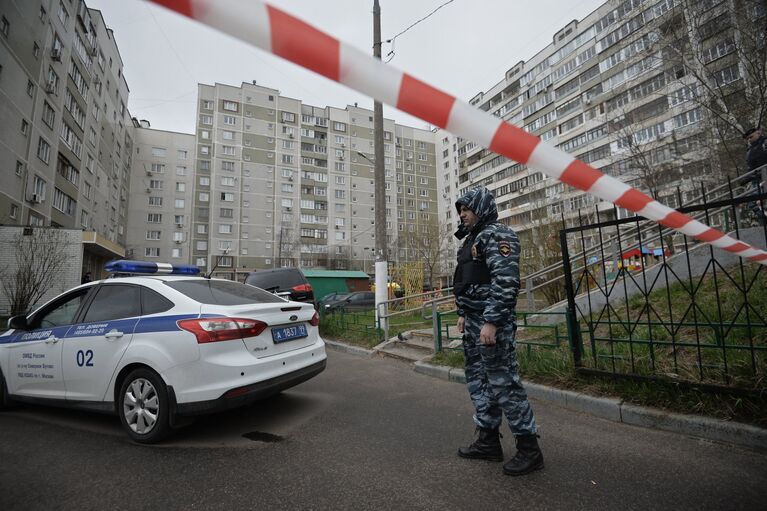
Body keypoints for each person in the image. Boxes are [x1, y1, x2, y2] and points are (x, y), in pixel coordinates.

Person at [452, 186, 543, 476]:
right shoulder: (473, 238)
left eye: (466, 209)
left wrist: (491, 321)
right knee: (479, 381)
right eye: (460, 210)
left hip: (493, 323)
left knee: (504, 383)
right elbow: (469, 280)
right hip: (475, 321)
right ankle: (488, 442)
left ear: (480, 207)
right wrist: (464, 314)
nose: (462, 215)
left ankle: (530, 449)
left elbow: (505, 282)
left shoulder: (498, 234)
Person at [742, 127, 767, 225]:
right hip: (757, 179)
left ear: (759, 133)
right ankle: (764, 220)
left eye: (751, 137)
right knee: (751, 200)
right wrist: (747, 178)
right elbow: (750, 167)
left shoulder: (765, 143)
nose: (749, 140)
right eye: (747, 138)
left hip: (765, 176)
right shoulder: (749, 150)